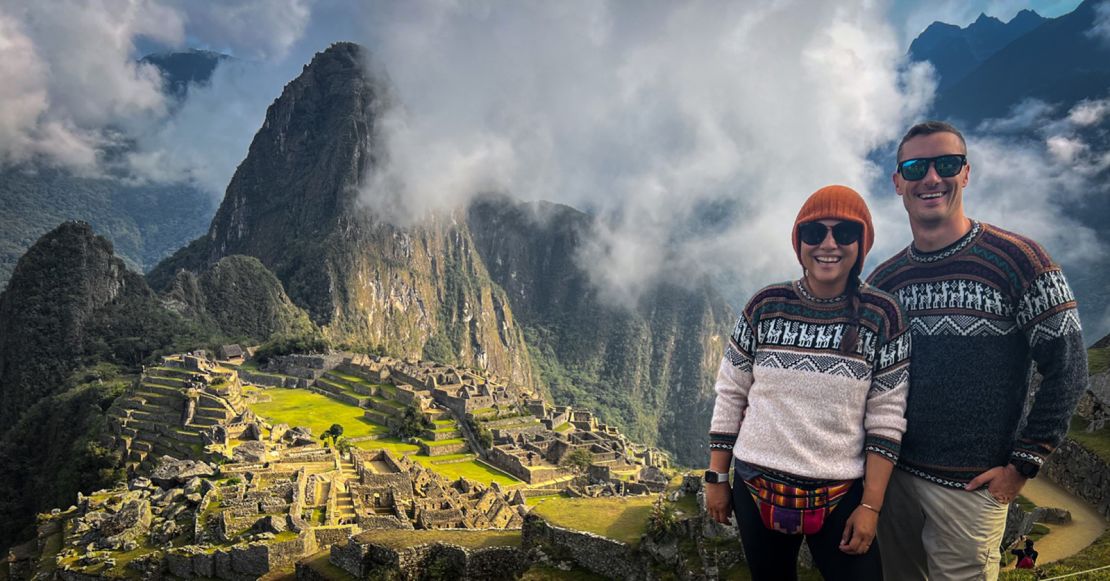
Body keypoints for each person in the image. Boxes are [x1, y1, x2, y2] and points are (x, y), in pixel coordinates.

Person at [868, 121, 1088, 580]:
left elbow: (1069, 370)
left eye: (945, 164)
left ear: (965, 173)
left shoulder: (1021, 262)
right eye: (915, 166)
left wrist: (1022, 466)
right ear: (898, 182)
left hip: (971, 488)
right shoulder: (886, 282)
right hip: (893, 481)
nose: (931, 178)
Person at [705, 185, 911, 581]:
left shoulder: (882, 316)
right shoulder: (766, 305)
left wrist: (870, 506)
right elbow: (731, 394)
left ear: (862, 242)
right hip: (755, 484)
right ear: (799, 242)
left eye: (844, 233)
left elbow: (886, 418)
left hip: (840, 496)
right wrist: (716, 477)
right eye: (815, 233)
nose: (828, 244)